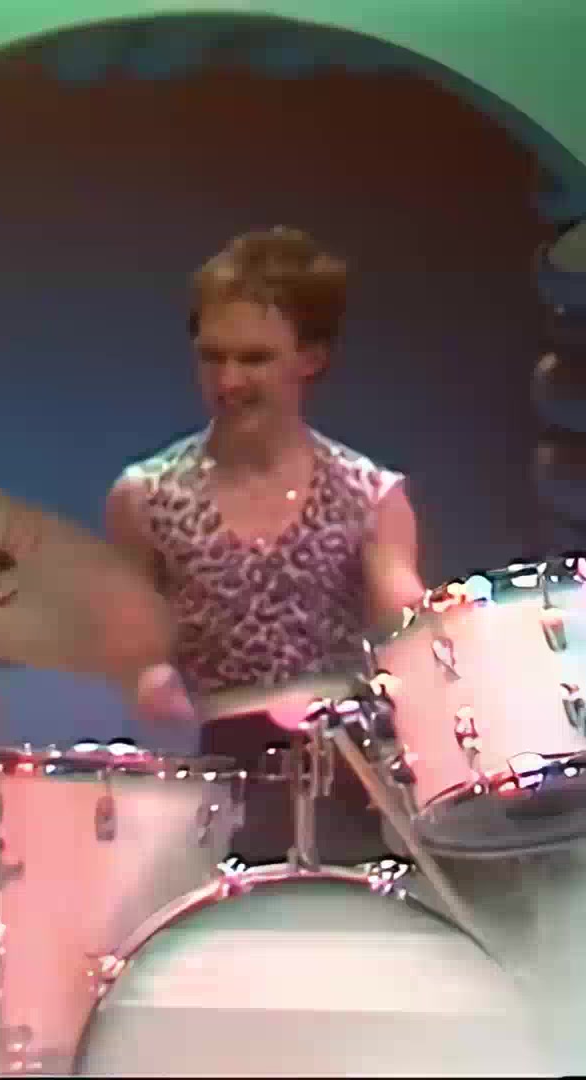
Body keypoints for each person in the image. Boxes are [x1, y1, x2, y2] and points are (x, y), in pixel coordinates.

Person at [104, 226, 427, 865]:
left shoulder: (370, 495)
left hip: (341, 781)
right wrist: (145, 674)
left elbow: (406, 620)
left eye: (254, 359)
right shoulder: (145, 498)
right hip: (215, 786)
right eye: (212, 357)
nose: (228, 380)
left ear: (311, 358)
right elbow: (134, 644)